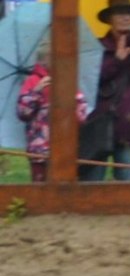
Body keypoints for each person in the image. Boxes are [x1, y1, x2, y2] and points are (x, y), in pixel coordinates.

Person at [81, 0, 130, 182]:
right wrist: (116, 61)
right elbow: (88, 81)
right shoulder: (96, 48)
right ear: (109, 18)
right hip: (97, 131)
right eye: (119, 13)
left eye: (129, 13)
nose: (125, 17)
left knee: (128, 197)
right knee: (90, 194)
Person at [15, 44, 85, 182]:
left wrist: (71, 98)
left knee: (64, 189)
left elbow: (81, 116)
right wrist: (36, 91)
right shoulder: (32, 81)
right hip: (39, 150)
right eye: (51, 58)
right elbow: (22, 112)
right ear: (42, 61)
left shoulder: (67, 80)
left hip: (64, 148)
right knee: (40, 188)